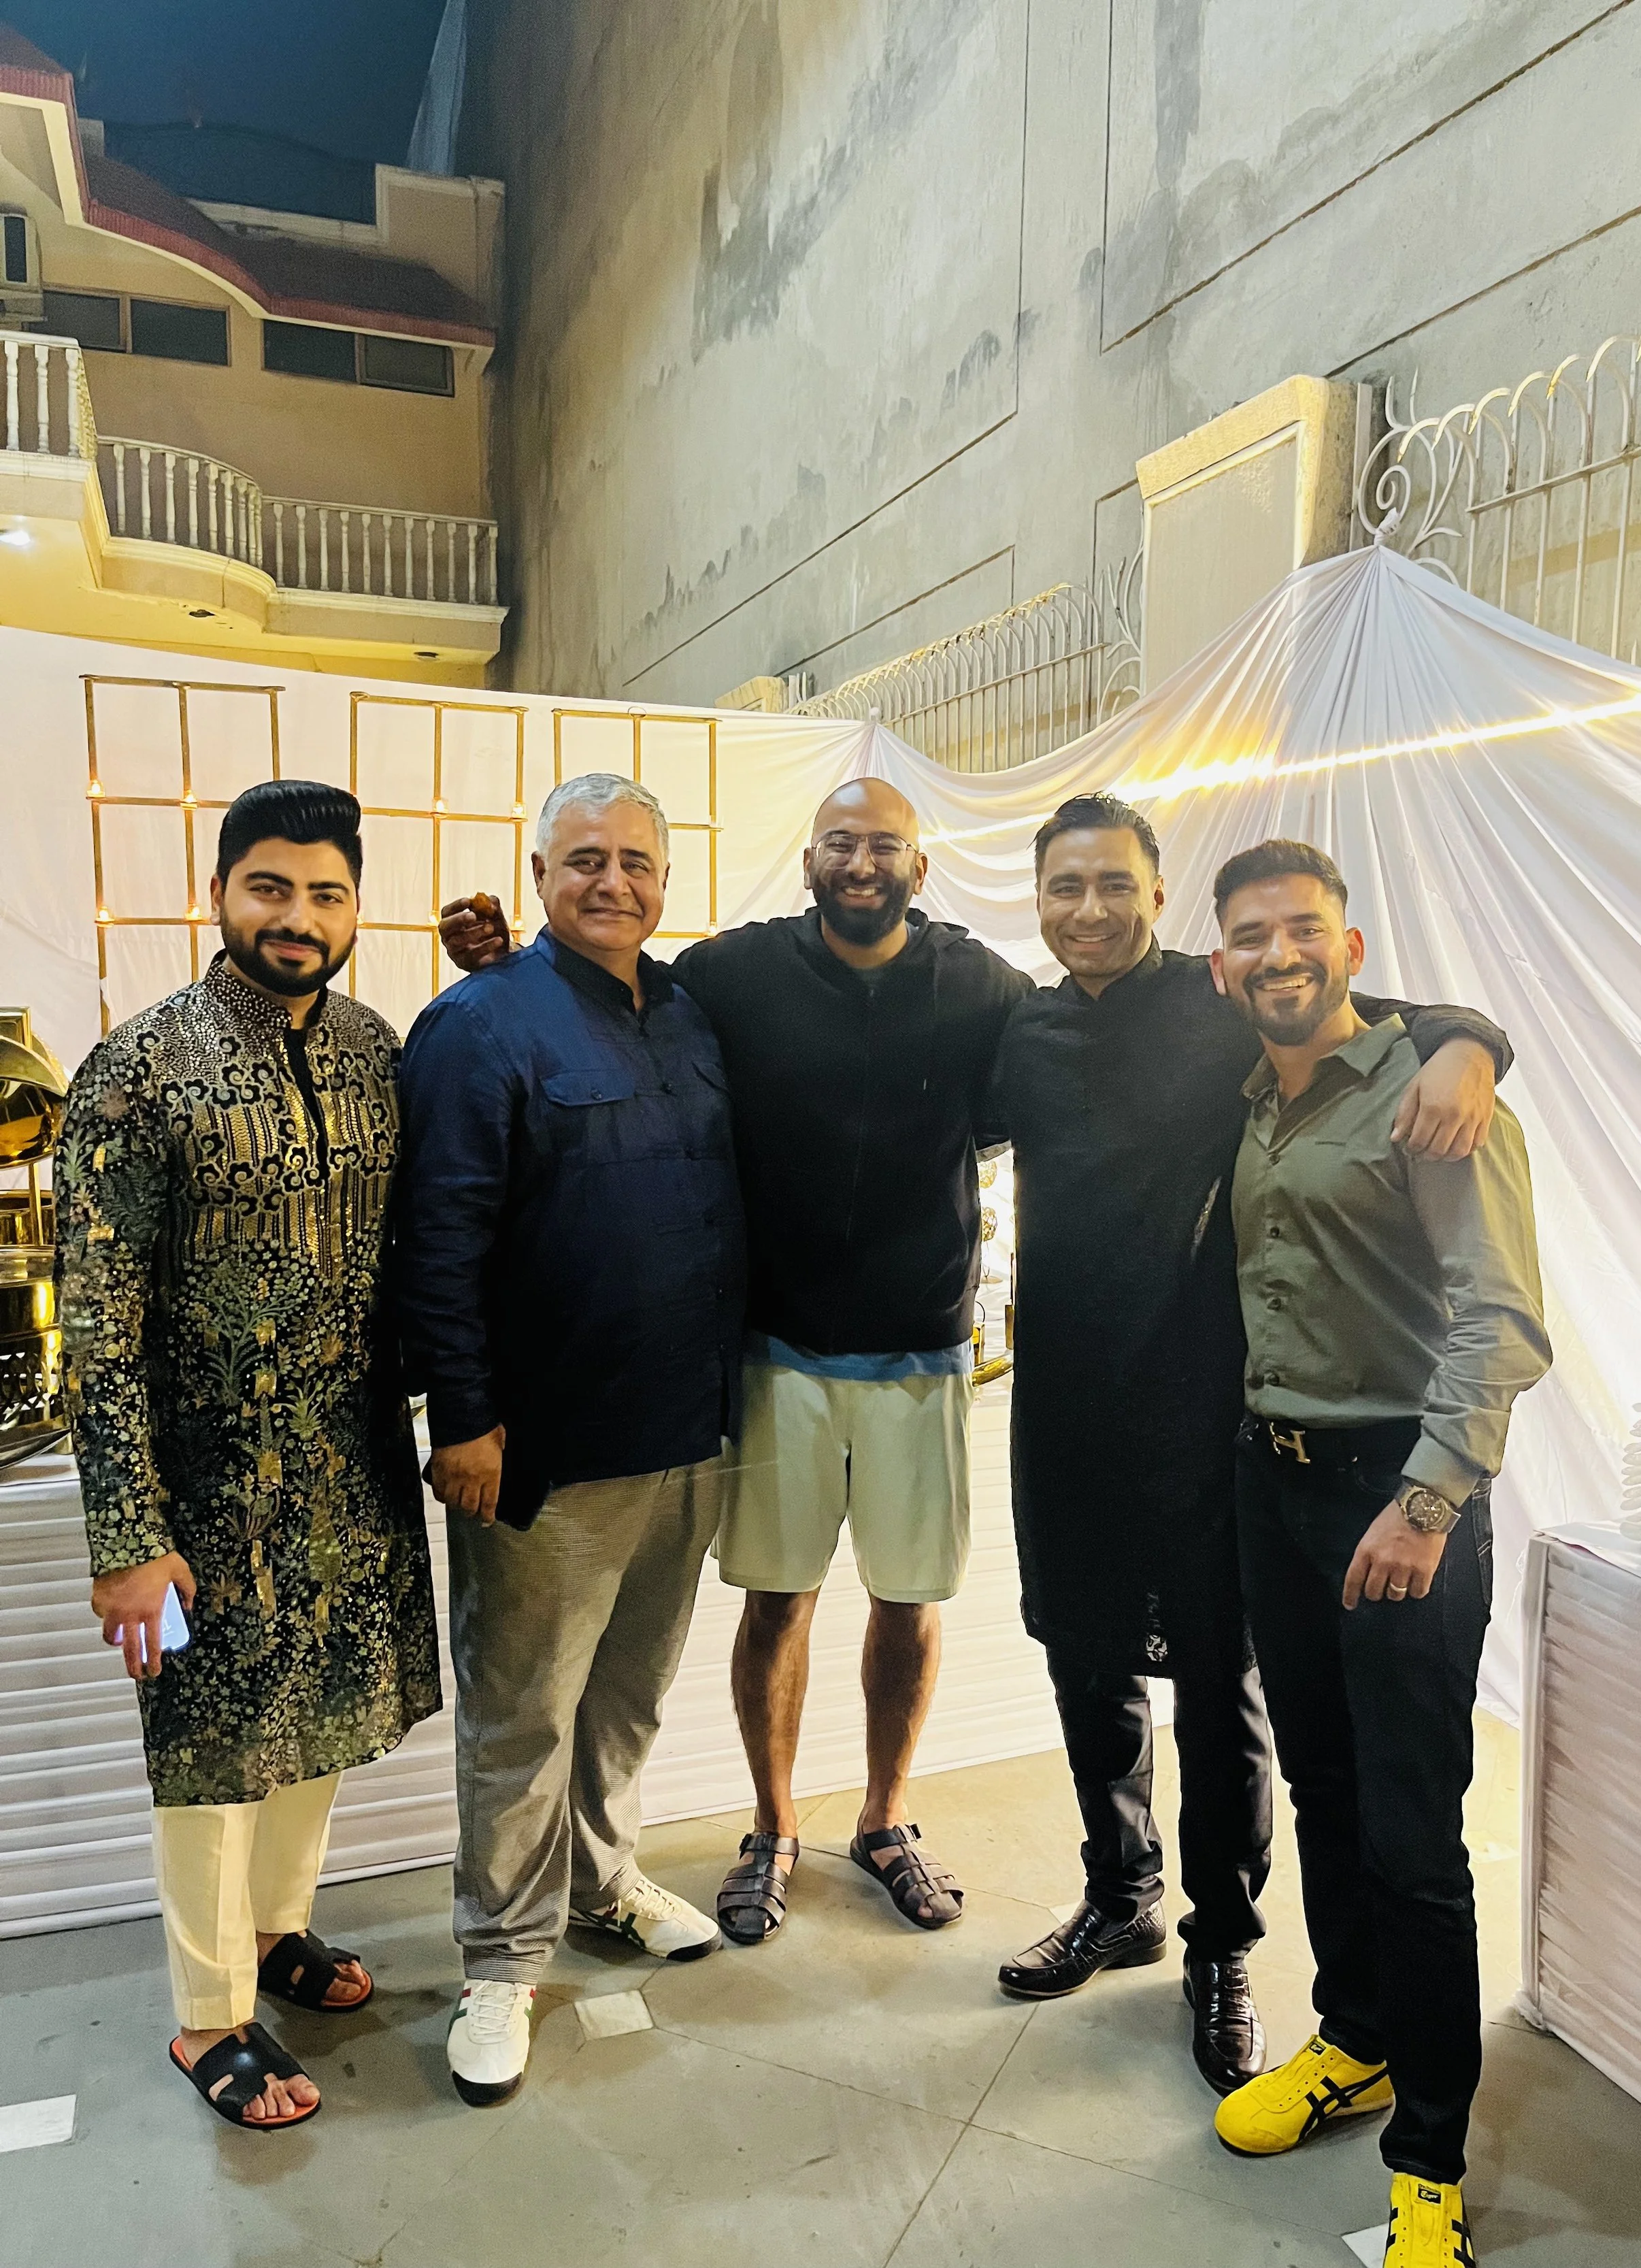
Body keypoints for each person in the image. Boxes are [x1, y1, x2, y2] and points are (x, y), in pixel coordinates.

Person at [440, 775, 1032, 1943]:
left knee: (910, 1605)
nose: (863, 864)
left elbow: (1078, 1053)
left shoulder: (981, 986)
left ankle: (885, 1819)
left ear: (922, 864)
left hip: (920, 1352)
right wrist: (506, 963)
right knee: (780, 1598)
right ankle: (771, 1828)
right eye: (840, 844)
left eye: (886, 846)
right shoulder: (734, 974)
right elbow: (604, 996)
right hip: (777, 1355)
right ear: (807, 859)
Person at [987, 794, 1512, 2097]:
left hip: (1214, 1399)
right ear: (1038, 901)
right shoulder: (1017, 1027)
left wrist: (1474, 1043)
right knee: (1086, 1655)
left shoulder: (1217, 1001)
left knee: (1222, 1686)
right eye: (1066, 888)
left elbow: (1374, 1014)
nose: (1091, 909)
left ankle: (1223, 1949)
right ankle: (1124, 1896)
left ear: (1162, 906)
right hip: (1064, 1402)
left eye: (1117, 885)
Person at [54, 779, 441, 2133]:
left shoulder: (377, 1053)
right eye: (271, 886)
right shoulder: (138, 1070)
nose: (299, 916)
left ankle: (280, 1931)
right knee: (210, 1750)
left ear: (353, 909)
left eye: (326, 892)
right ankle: (208, 2012)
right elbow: (94, 1324)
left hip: (347, 1466)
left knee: (320, 1721)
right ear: (220, 893)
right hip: (198, 1490)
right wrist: (123, 1533)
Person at [1208, 838, 1550, 2268]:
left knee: (1413, 1835)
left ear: (1350, 948)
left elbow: (1501, 1323)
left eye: (1301, 931)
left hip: (1393, 1493)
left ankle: (1427, 2160)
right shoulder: (1248, 1094)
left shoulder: (1429, 1096)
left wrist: (1422, 1504)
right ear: (1219, 961)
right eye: (1248, 937)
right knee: (1326, 1787)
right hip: (1272, 1481)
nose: (1275, 955)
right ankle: (1351, 2037)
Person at [398, 774, 744, 2108]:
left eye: (636, 862)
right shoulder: (478, 1024)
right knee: (520, 1716)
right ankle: (498, 1961)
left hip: (686, 1438)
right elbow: (438, 1239)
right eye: (584, 859)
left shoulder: (694, 1018)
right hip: (544, 1454)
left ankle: (604, 1882)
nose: (613, 883)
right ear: (538, 869)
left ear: (666, 878)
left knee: (628, 1697)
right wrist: (464, 1416)